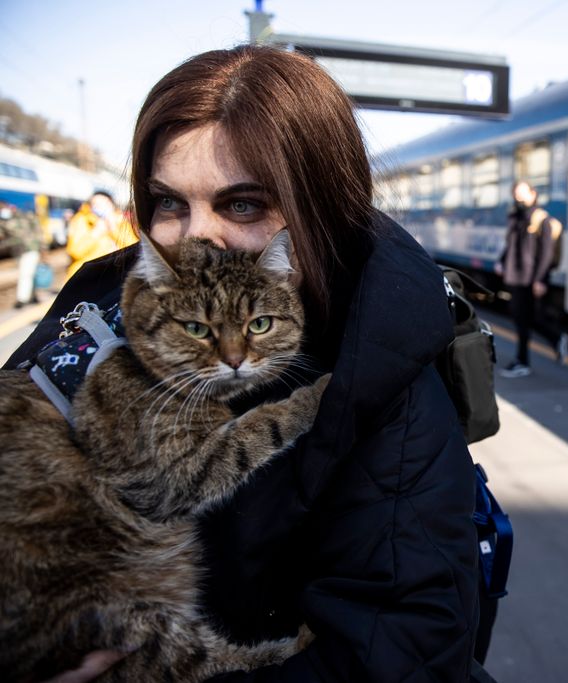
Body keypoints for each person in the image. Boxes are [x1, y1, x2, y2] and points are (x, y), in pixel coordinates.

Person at [5, 45, 484, 682]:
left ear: (318, 209)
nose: (194, 234)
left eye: (243, 204)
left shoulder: (385, 393)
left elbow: (398, 654)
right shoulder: (107, 302)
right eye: (169, 202)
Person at [496, 180, 568, 377]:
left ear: (533, 194)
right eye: (515, 194)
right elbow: (510, 245)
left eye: (522, 194)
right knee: (523, 318)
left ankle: (523, 360)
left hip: (530, 278)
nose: (518, 198)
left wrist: (540, 280)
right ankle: (554, 339)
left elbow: (546, 253)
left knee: (526, 319)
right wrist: (501, 261)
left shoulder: (541, 220)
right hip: (516, 275)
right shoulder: (515, 217)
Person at [65, 191, 137, 279]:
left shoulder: (120, 222)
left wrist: (113, 228)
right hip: (85, 277)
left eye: (104, 204)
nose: (100, 207)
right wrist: (96, 232)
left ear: (112, 204)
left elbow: (132, 248)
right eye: (96, 204)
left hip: (114, 277)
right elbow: (75, 251)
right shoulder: (82, 220)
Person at [1, 203, 44, 308]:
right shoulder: (4, 222)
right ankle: (34, 296)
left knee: (25, 274)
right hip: (20, 251)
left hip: (30, 248)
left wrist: (42, 247)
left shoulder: (24, 216)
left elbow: (37, 230)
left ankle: (22, 299)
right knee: (30, 273)